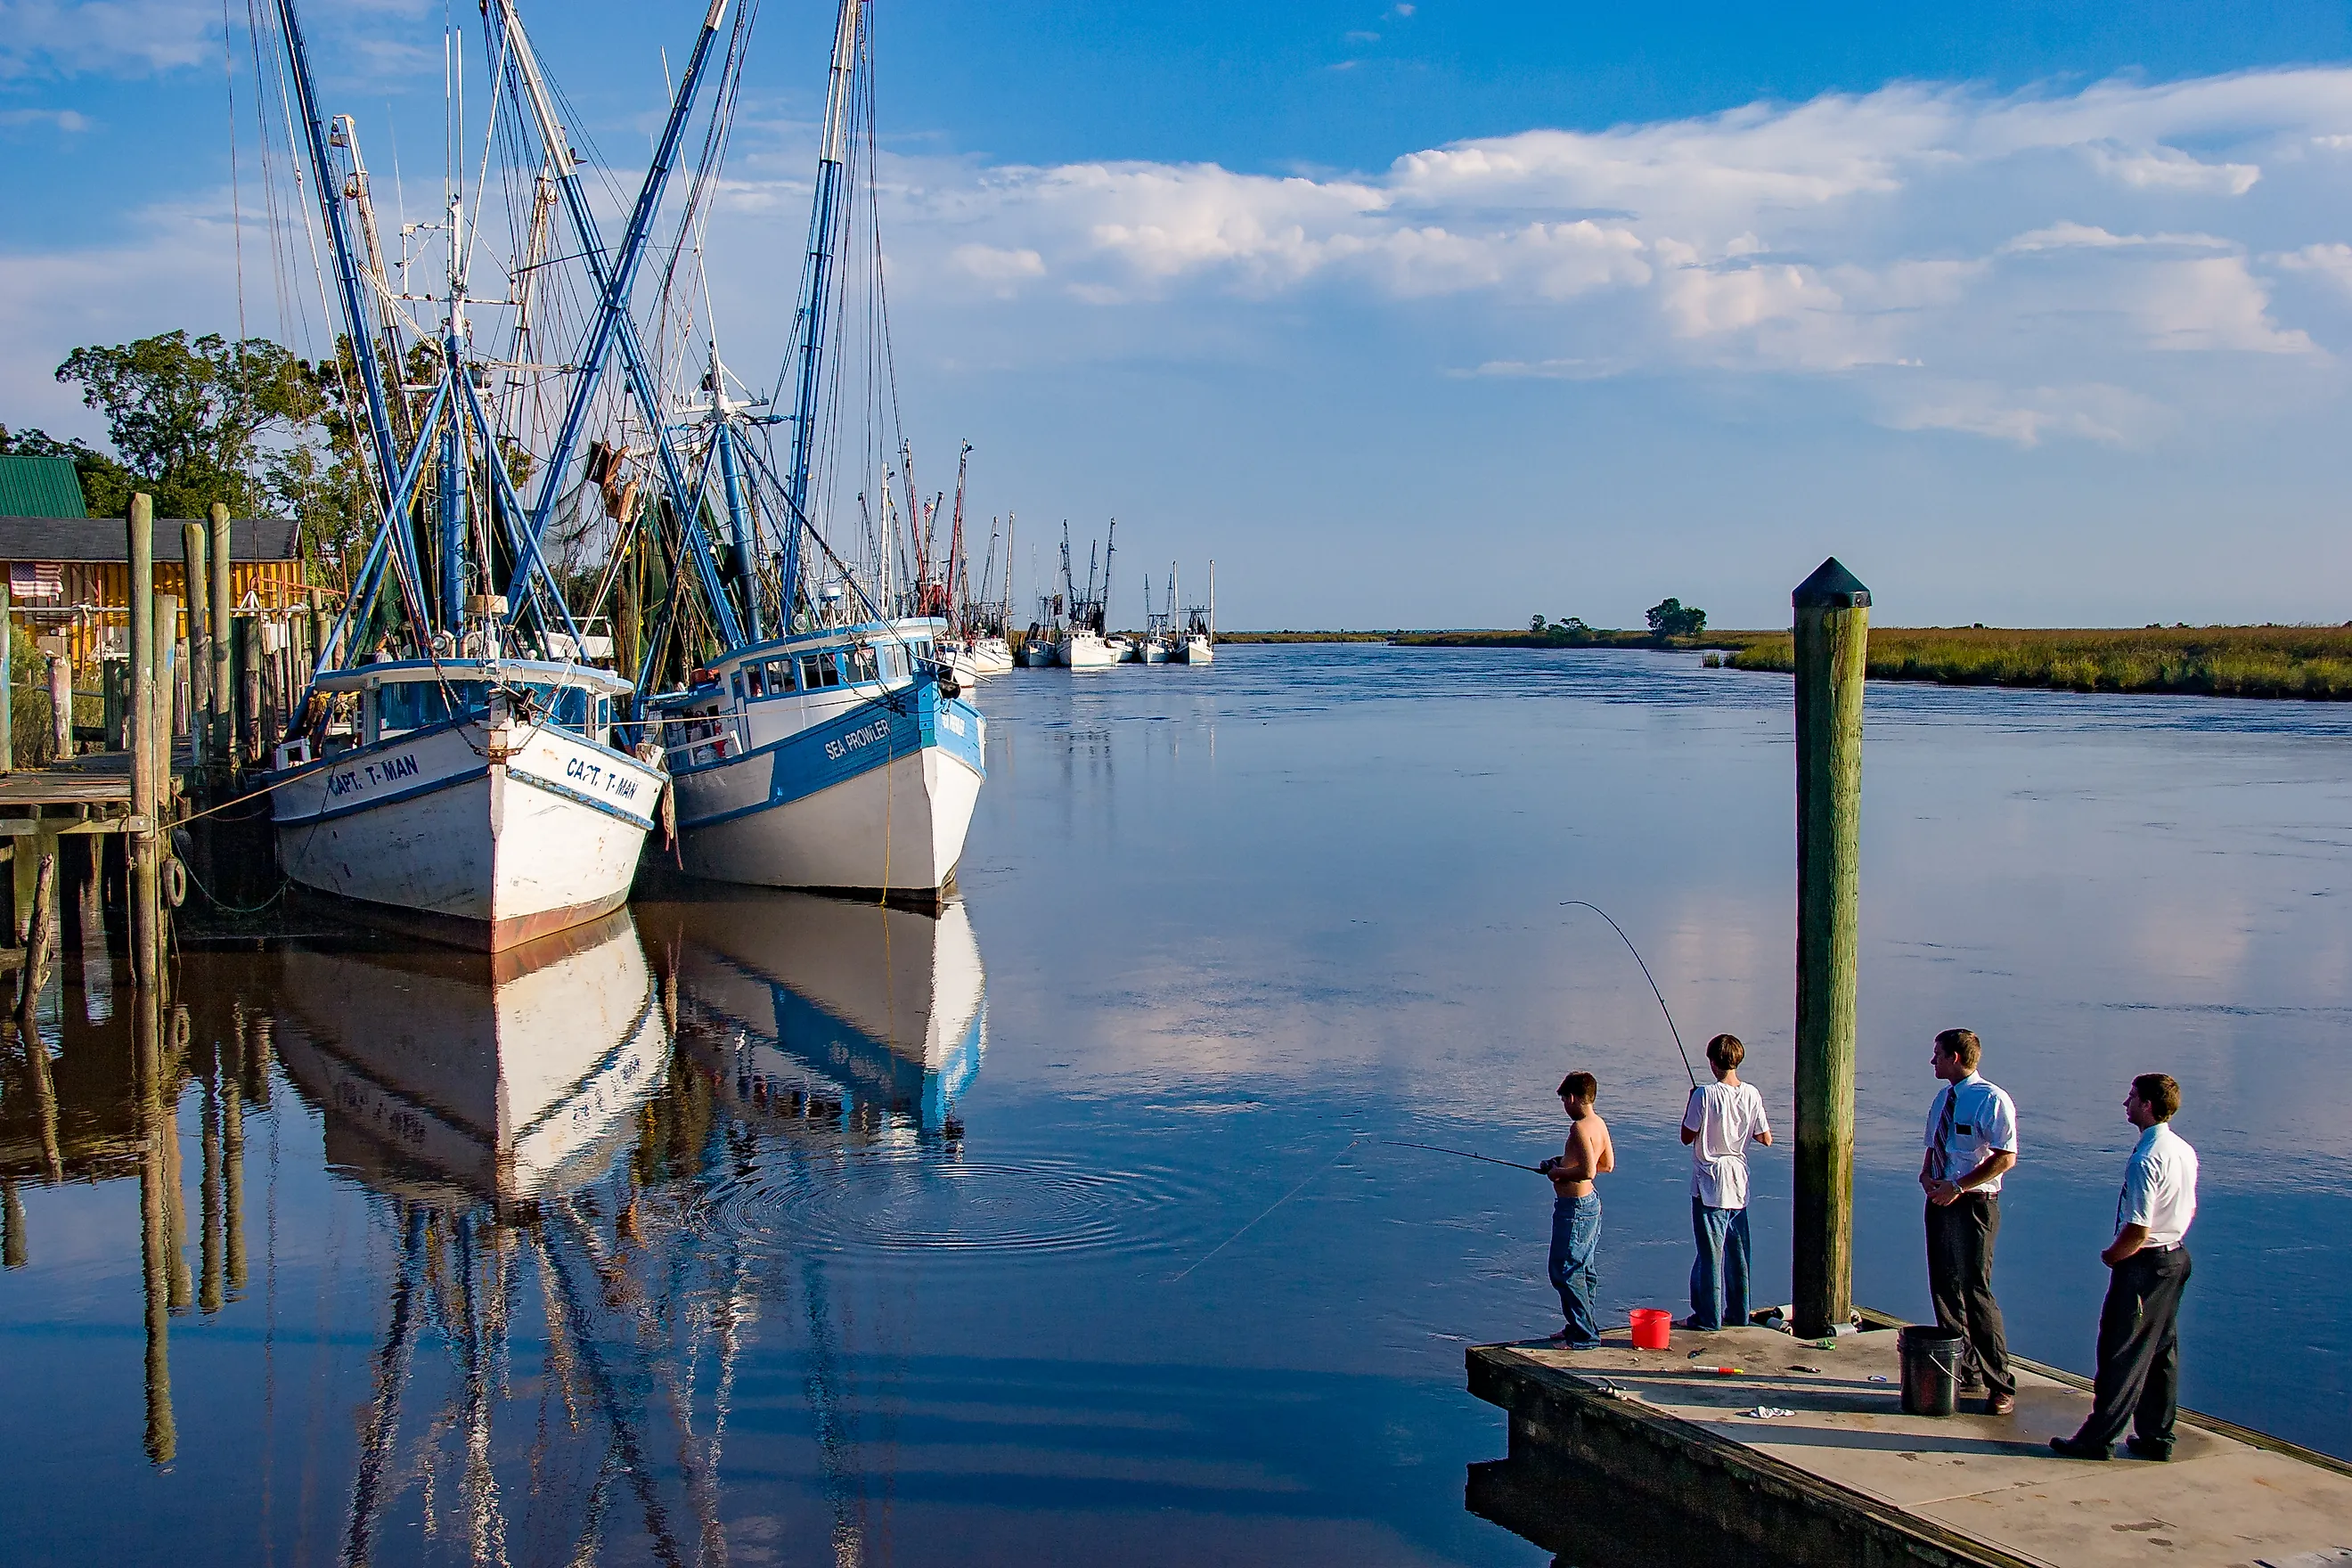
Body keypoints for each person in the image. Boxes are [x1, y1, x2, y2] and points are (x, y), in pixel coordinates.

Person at [2052, 1074, 2199, 1461]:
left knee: (2122, 1350)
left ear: (2148, 1105)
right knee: (2161, 1349)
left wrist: (2113, 1255)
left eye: (2132, 1097)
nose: (2126, 1103)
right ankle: (2156, 1437)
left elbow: (2138, 1226)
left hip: (2144, 1264)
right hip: (2176, 1258)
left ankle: (2097, 1439)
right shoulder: (2182, 1149)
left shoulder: (2147, 1158)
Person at [1921, 1027, 2020, 1416]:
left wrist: (1958, 1187)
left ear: (1956, 1058)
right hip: (1939, 1199)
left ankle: (2001, 1383)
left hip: (1974, 1203)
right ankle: (1962, 1368)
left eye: (1938, 1055)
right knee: (1944, 1286)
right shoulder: (1942, 1099)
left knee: (1976, 1290)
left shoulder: (1990, 1100)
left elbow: (2004, 1156)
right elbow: (1934, 1147)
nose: (1933, 1062)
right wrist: (1928, 1176)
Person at [1681, 1033, 1773, 1331]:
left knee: (1710, 1254)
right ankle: (1739, 1314)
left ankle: (1708, 1318)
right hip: (1739, 1180)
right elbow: (1765, 1138)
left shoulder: (1704, 1095)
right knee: (1738, 1254)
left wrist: (1691, 1104)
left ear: (1712, 1062)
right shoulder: (1752, 1094)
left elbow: (1686, 1136)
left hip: (1710, 1181)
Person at [1537, 1072, 1614, 1349]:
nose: (1565, 1107)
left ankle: (1584, 1336)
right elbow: (1606, 1165)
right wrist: (1559, 1163)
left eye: (1564, 1101)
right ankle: (1580, 1325)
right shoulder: (1599, 1123)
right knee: (1583, 1269)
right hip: (1590, 1205)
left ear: (1572, 1098)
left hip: (1575, 1209)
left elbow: (1589, 1170)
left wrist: (1558, 1174)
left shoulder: (1579, 1128)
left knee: (1564, 1270)